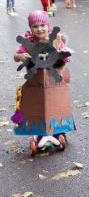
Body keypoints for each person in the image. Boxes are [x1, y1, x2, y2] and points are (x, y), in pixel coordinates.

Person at [12, 10, 74, 152]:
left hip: (54, 80)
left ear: (48, 26)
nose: (39, 29)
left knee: (56, 104)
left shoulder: (55, 41)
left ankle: (58, 130)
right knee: (37, 105)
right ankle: (39, 133)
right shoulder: (28, 43)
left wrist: (60, 53)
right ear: (31, 28)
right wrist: (21, 57)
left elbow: (66, 59)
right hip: (36, 81)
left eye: (42, 25)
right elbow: (16, 56)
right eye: (35, 26)